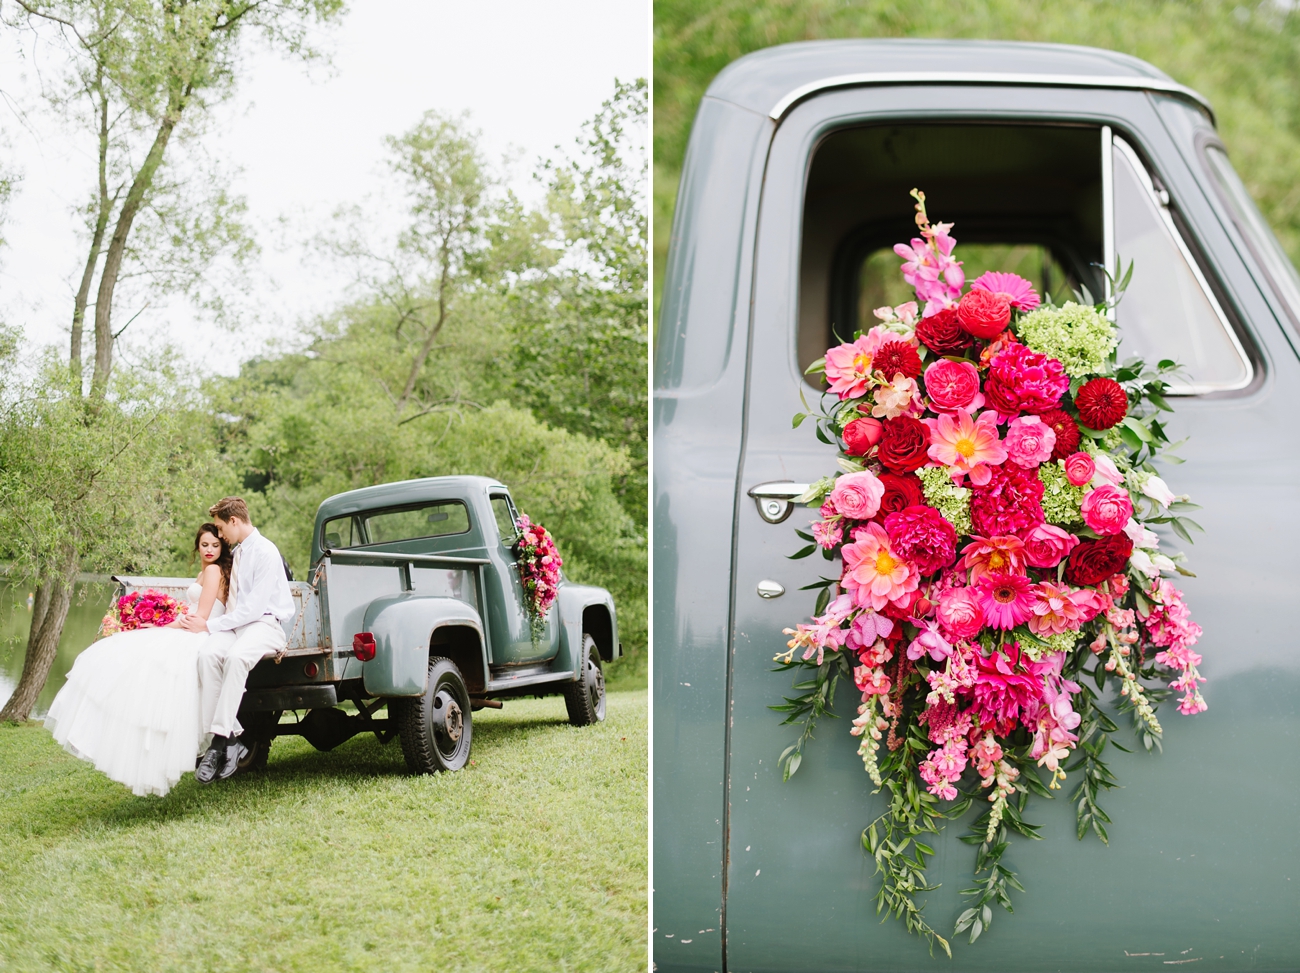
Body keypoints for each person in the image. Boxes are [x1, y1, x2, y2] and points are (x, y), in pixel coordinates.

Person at [43, 524, 233, 797]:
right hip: (189, 628)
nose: (210, 550)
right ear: (197, 546)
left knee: (134, 657)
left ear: (222, 547)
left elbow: (200, 618)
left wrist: (161, 629)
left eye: (215, 545)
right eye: (205, 545)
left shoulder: (214, 571)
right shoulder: (205, 571)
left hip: (199, 633)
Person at [181, 497, 294, 784]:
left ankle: (218, 745)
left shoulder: (266, 552)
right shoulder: (241, 552)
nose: (219, 536)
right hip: (237, 626)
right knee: (206, 657)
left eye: (220, 528)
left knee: (235, 658)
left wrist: (208, 625)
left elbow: (253, 610)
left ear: (234, 521)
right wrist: (210, 629)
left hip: (264, 624)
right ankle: (232, 739)